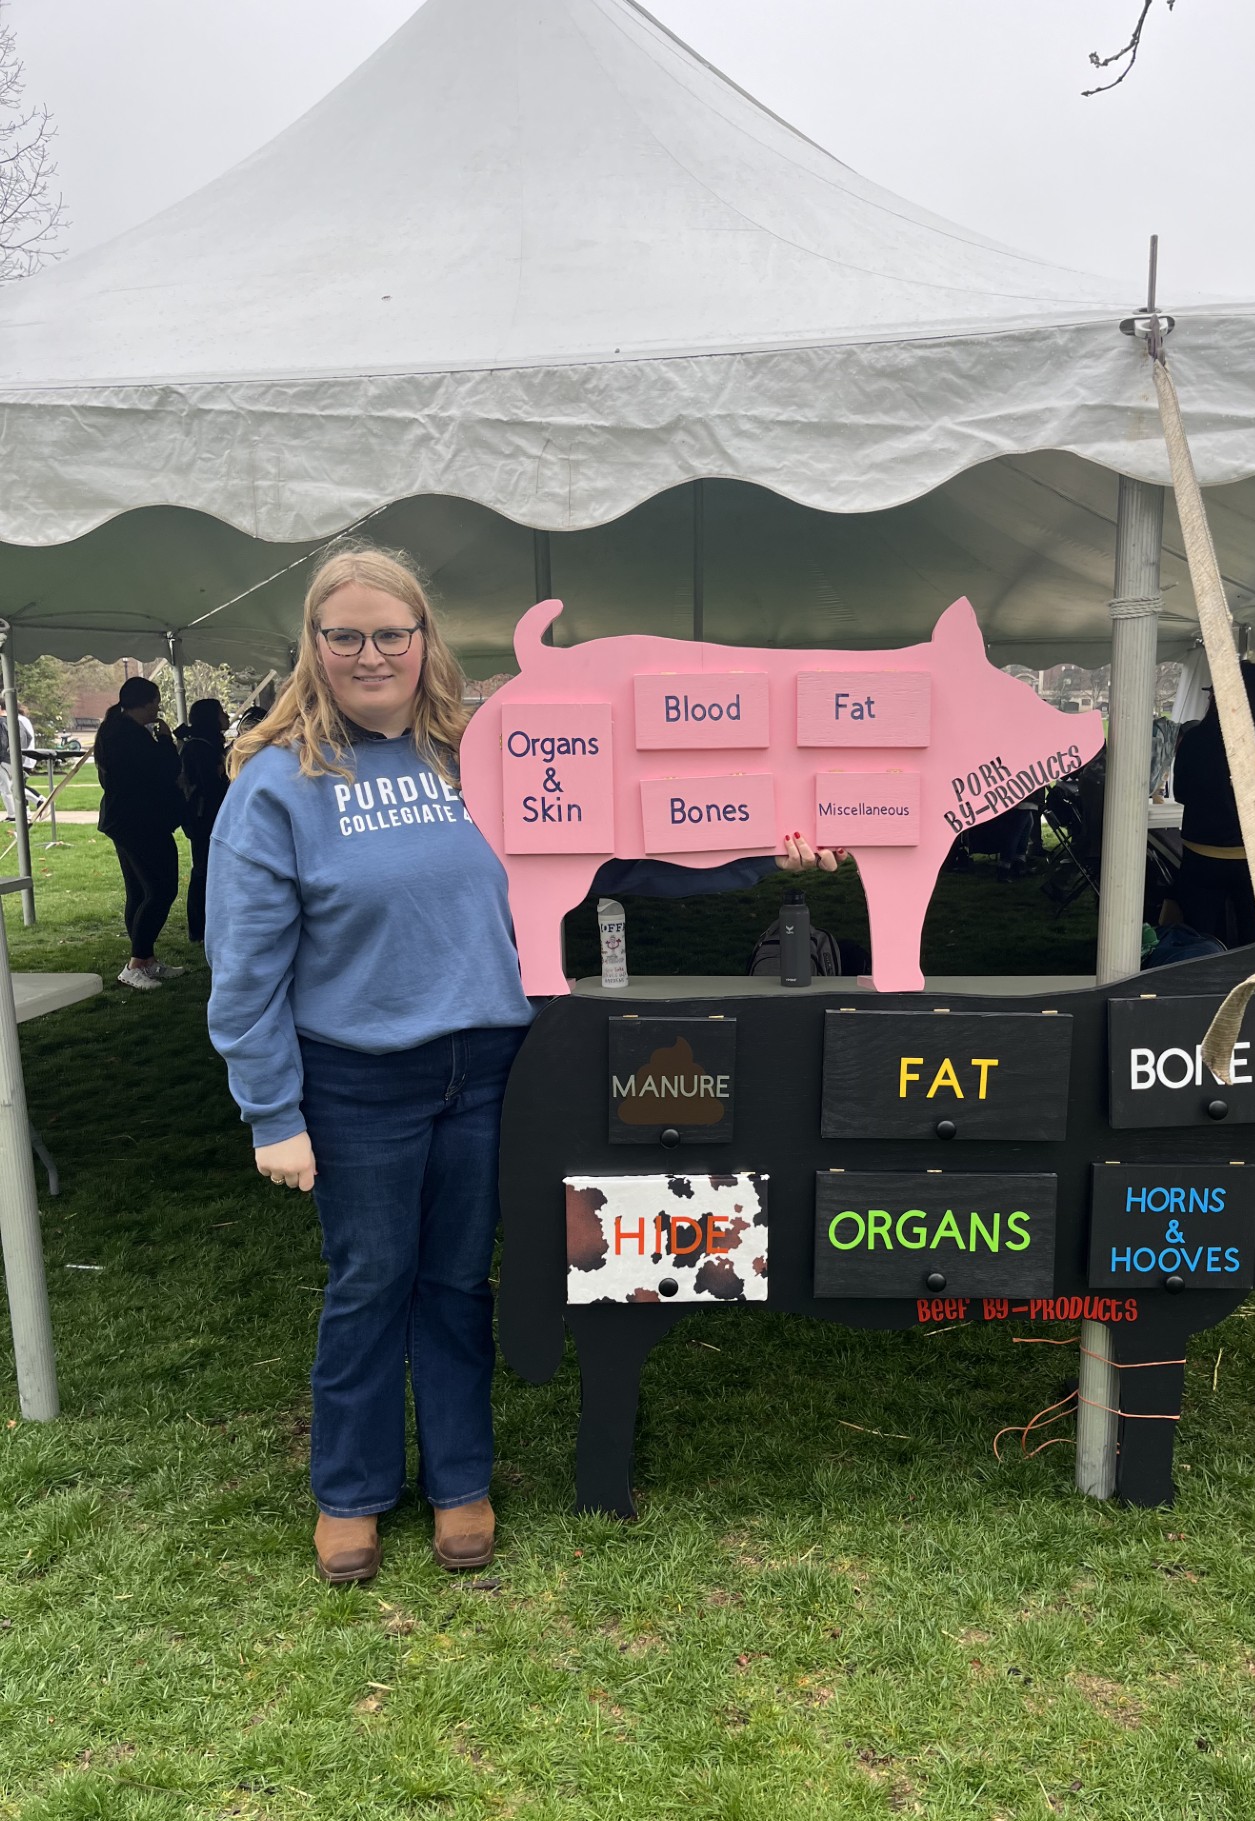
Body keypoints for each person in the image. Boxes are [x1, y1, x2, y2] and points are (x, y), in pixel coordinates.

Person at [206, 547, 843, 1585]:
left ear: (425, 644)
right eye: (345, 636)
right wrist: (270, 1110)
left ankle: (461, 1479)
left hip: (494, 1067)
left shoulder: (482, 756)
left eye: (391, 634)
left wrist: (760, 853)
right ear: (313, 651)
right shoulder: (278, 787)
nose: (371, 654)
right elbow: (244, 970)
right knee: (372, 1283)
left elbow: (619, 850)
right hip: (358, 1080)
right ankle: (352, 1494)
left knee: (460, 1282)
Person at [1171, 659, 1255, 946]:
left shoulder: (1196, 738)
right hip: (1254, 855)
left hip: (1202, 852)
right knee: (1253, 941)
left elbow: (1181, 793)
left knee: (1200, 939)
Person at [94, 676, 186, 990]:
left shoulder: (112, 729)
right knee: (161, 890)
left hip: (124, 819)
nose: (157, 708)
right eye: (155, 701)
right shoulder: (130, 735)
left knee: (139, 891)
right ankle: (136, 963)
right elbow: (166, 770)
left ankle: (145, 959)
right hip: (141, 821)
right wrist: (165, 740)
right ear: (144, 702)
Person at [177, 698, 230, 942]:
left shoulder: (207, 744)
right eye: (221, 712)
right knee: (203, 871)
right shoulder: (198, 747)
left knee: (210, 870)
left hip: (208, 815)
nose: (226, 715)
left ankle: (209, 923)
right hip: (204, 817)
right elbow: (209, 785)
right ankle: (199, 928)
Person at [0, 704, 39, 821]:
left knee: (8, 787)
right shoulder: (18, 721)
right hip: (17, 758)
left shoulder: (3, 722)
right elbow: (28, 737)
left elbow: (3, 742)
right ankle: (32, 804)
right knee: (13, 786)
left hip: (6, 758)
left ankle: (15, 813)